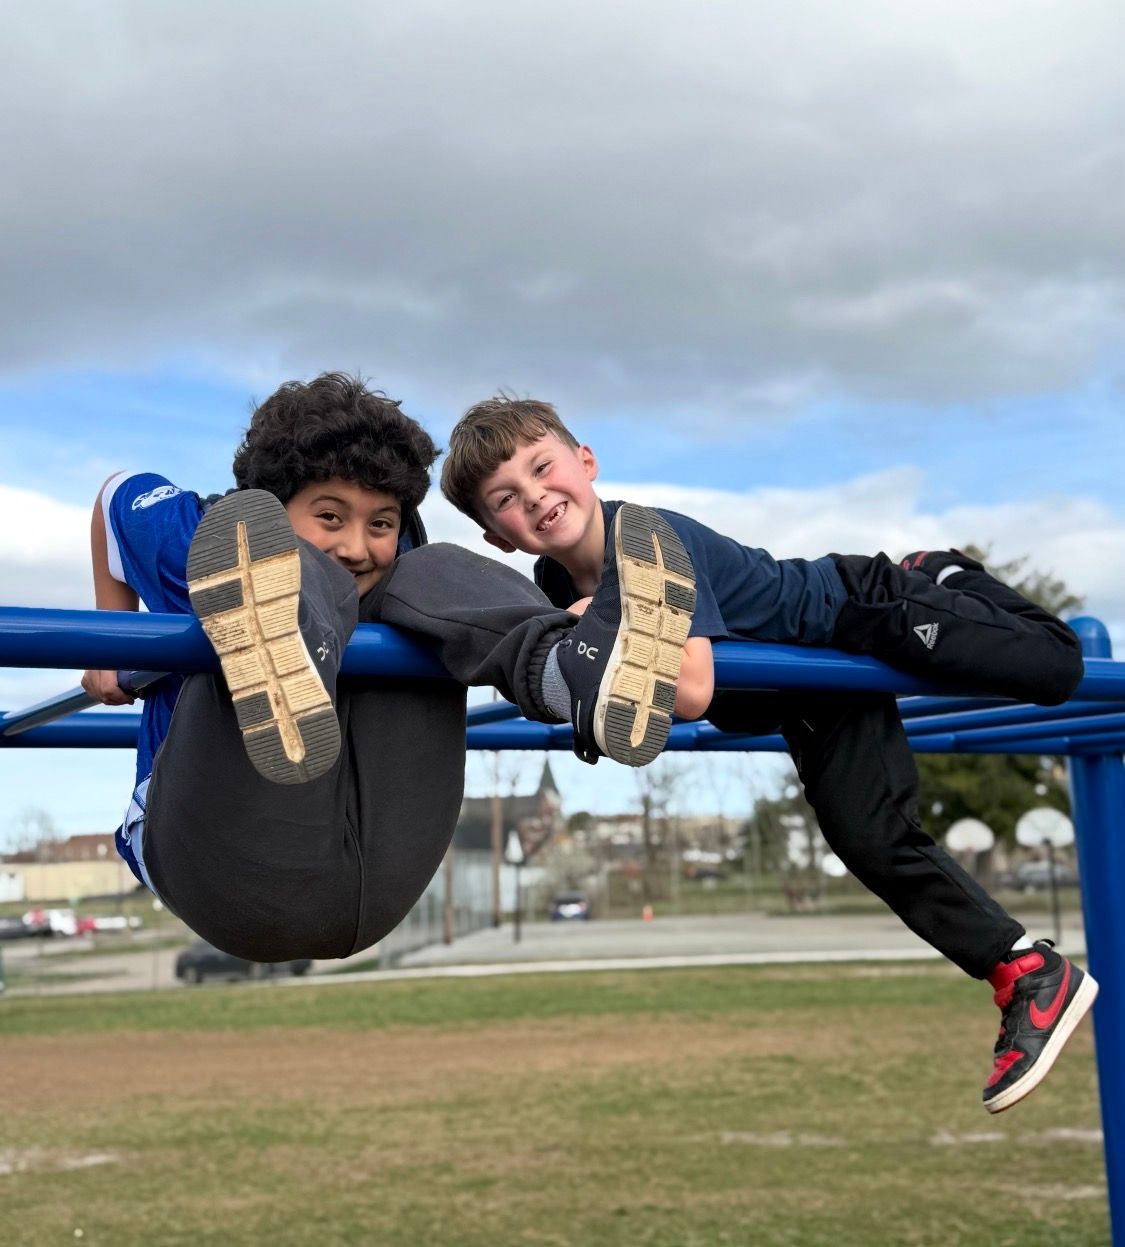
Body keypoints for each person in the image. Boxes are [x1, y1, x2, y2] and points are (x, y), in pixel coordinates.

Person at [439, 394, 1098, 1115]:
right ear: (495, 534)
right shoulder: (557, 583)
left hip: (862, 612)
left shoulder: (646, 539)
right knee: (873, 841)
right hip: (806, 696)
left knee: (1057, 668)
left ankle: (937, 570)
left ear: (585, 462)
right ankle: (1027, 971)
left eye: (543, 468)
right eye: (506, 497)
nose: (535, 497)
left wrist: (584, 639)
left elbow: (689, 690)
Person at [82, 373, 698, 968]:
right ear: (271, 505)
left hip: (381, 880)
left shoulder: (401, 559)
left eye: (380, 522)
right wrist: (112, 636)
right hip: (224, 869)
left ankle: (569, 673)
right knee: (303, 573)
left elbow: (404, 560)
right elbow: (115, 494)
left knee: (430, 571)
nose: (357, 545)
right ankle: (277, 631)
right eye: (329, 516)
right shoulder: (187, 535)